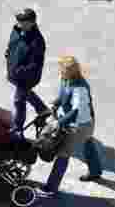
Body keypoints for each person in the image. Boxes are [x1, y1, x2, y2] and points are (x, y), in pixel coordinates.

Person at [40, 56, 104, 194]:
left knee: (63, 153)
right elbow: (63, 95)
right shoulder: (65, 79)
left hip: (80, 124)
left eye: (62, 69)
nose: (60, 71)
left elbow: (76, 111)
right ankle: (95, 171)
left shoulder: (80, 89)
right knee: (87, 143)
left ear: (69, 71)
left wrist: (59, 122)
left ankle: (51, 187)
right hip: (80, 122)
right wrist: (55, 104)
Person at [5, 9, 48, 138]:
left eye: (22, 21)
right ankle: (42, 109)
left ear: (32, 23)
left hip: (26, 78)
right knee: (26, 94)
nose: (18, 23)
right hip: (14, 72)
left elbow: (35, 65)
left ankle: (18, 129)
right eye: (18, 20)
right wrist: (8, 53)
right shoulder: (17, 30)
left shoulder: (37, 41)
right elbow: (12, 45)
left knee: (19, 101)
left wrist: (20, 71)